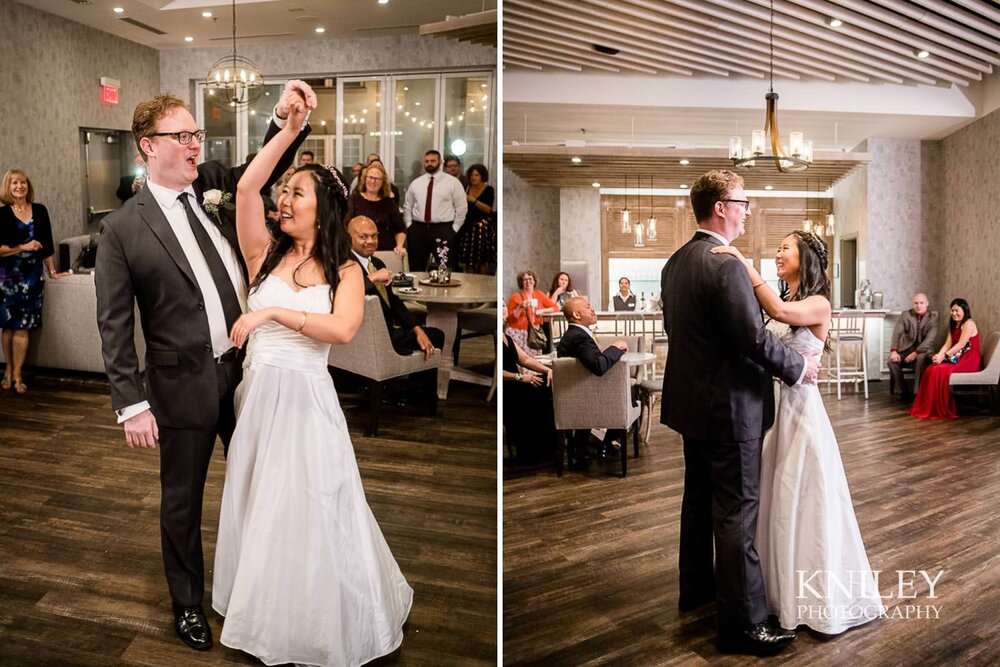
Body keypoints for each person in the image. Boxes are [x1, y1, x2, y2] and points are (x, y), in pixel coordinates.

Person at [95, 82, 312, 651]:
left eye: (197, 134)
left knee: (264, 484)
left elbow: (256, 172)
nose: (195, 144)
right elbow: (114, 323)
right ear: (148, 146)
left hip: (248, 373)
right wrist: (130, 402)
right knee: (182, 502)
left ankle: (266, 589)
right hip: (180, 384)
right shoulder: (121, 229)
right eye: (182, 136)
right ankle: (187, 604)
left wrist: (285, 119)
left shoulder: (213, 185)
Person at [210, 96, 412, 665]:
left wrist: (273, 314)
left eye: (296, 192)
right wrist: (288, 130)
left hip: (307, 398)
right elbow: (248, 189)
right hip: (259, 398)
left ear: (323, 209)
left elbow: (344, 330)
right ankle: (262, 606)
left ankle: (316, 616)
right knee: (262, 500)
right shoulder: (261, 253)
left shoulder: (347, 268)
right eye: (286, 191)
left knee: (315, 503)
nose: (284, 199)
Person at [660, 170, 817, 656]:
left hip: (691, 404)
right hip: (731, 409)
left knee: (697, 501)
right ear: (721, 206)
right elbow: (750, 339)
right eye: (744, 202)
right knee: (736, 514)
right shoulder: (722, 264)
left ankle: (697, 591)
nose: (748, 209)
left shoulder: (675, 263)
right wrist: (797, 368)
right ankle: (743, 624)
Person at [712, 231, 885, 635]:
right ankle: (777, 589)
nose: (777, 253)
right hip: (778, 411)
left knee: (805, 495)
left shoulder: (818, 303)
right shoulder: (789, 300)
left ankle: (816, 594)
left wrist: (740, 259)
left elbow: (777, 312)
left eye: (784, 248)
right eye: (775, 248)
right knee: (779, 497)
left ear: (803, 257)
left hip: (803, 410)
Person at [0, 169, 68, 394]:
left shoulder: (39, 211)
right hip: (7, 278)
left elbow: (47, 244)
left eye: (23, 182)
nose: (19, 186)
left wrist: (52, 270)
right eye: (14, 183)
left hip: (31, 278)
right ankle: (8, 371)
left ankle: (18, 373)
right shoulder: (2, 215)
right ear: (7, 188)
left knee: (23, 328)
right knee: (8, 328)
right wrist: (23, 247)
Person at [347, 214, 443, 357]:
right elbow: (348, 294)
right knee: (437, 336)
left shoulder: (377, 263)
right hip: (370, 339)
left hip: (390, 331)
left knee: (430, 334)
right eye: (363, 237)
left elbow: (395, 303)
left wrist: (417, 329)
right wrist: (373, 277)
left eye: (374, 236)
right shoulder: (345, 264)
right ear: (348, 238)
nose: (371, 241)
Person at [557, 296, 631, 459]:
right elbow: (598, 366)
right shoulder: (580, 337)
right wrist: (616, 347)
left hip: (573, 394)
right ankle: (605, 443)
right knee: (631, 395)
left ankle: (583, 444)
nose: (592, 309)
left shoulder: (571, 335)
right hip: (586, 399)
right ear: (576, 315)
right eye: (588, 306)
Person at [909, 298, 980, 420]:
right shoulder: (954, 324)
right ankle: (928, 407)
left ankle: (941, 408)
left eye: (957, 311)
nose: (954, 313)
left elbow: (961, 344)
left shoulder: (969, 323)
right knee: (931, 369)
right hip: (957, 357)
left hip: (969, 360)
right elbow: (948, 343)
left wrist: (944, 356)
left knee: (938, 371)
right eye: (952, 311)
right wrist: (939, 355)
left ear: (965, 310)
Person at [502, 301, 555, 462]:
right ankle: (529, 449)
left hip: (517, 382)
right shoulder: (496, 337)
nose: (503, 309)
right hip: (507, 386)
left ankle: (545, 448)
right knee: (537, 395)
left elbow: (524, 359)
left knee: (547, 385)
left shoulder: (506, 336)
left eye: (504, 306)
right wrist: (519, 377)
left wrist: (547, 370)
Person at [403, 149, 467, 271]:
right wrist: (409, 225)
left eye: (433, 161)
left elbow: (461, 207)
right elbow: (408, 206)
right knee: (416, 267)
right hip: (418, 229)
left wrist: (454, 229)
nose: (429, 164)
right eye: (427, 161)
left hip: (443, 229)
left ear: (440, 162)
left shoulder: (452, 182)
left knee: (446, 267)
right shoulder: (416, 183)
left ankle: (447, 290)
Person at [345, 162, 405, 256]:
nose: (373, 181)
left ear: (383, 182)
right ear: (364, 179)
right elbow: (346, 226)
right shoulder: (354, 199)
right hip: (359, 253)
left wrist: (400, 246)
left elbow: (400, 229)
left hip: (385, 253)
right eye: (370, 177)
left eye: (377, 179)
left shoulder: (389, 202)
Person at [888, 292, 938, 400]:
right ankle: (902, 390)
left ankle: (918, 393)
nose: (918, 306)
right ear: (913, 304)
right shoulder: (906, 315)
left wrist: (916, 353)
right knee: (892, 362)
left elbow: (929, 340)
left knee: (920, 358)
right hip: (907, 350)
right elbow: (897, 333)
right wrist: (894, 351)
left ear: (927, 303)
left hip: (925, 352)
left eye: (921, 303)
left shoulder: (932, 318)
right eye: (916, 303)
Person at [505, 270, 558, 357]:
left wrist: (542, 311)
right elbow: (510, 319)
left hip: (534, 332)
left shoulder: (539, 294)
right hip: (517, 332)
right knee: (519, 358)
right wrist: (520, 307)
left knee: (534, 358)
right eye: (525, 279)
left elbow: (555, 308)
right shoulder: (515, 297)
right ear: (521, 282)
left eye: (530, 279)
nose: (528, 282)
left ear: (534, 281)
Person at [457, 164, 495, 274]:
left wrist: (472, 200)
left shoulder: (489, 189)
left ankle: (482, 286)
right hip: (467, 227)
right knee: (468, 261)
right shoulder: (467, 188)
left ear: (482, 176)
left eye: (477, 175)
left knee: (481, 261)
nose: (473, 177)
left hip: (482, 228)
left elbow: (488, 209)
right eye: (472, 175)